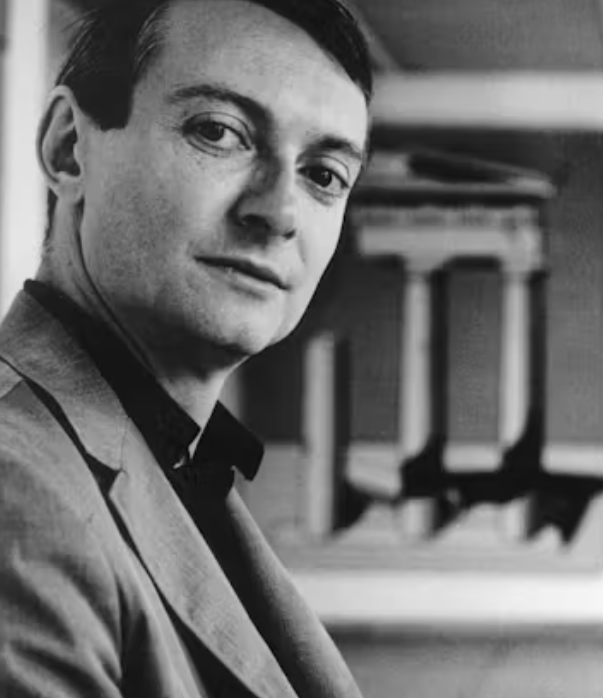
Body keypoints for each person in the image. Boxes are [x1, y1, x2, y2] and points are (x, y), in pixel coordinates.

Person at [0, 0, 371, 695]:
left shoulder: (176, 463)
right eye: (219, 132)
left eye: (323, 174)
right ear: (68, 149)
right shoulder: (15, 487)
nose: (279, 213)